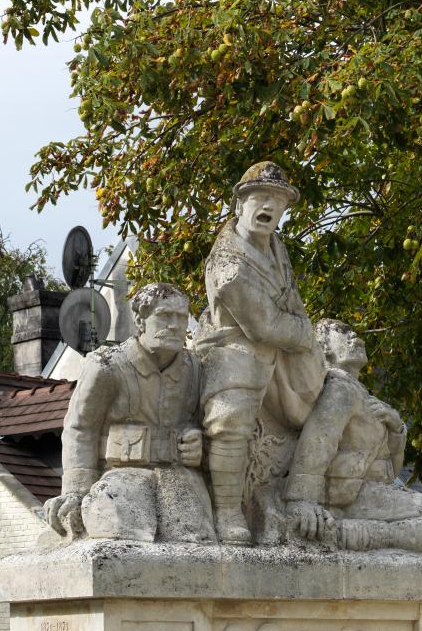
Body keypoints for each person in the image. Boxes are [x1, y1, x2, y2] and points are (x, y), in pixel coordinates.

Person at [195, 161, 328, 545]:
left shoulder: (276, 247)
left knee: (324, 392)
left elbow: (291, 302)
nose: (270, 207)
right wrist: (305, 335)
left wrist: (306, 343)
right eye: (262, 198)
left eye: (279, 202)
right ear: (240, 205)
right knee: (231, 413)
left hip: (283, 350)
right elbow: (263, 325)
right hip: (233, 344)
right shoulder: (228, 264)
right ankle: (227, 510)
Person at [285, 320, 422, 555]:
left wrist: (396, 428)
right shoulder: (340, 388)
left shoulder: (359, 392)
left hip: (379, 493)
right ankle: (369, 534)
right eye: (342, 331)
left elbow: (391, 471)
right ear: (324, 347)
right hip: (358, 497)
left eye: (353, 331)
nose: (354, 336)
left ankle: (367, 533)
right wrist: (302, 501)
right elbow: (319, 441)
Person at [42, 282, 213, 543]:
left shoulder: (196, 369)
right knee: (123, 531)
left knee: (196, 538)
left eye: (181, 317)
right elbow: (81, 428)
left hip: (179, 477)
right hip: (121, 476)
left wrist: (199, 443)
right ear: (140, 320)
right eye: (165, 316)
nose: (176, 325)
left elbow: (208, 425)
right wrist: (76, 490)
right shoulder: (107, 366)